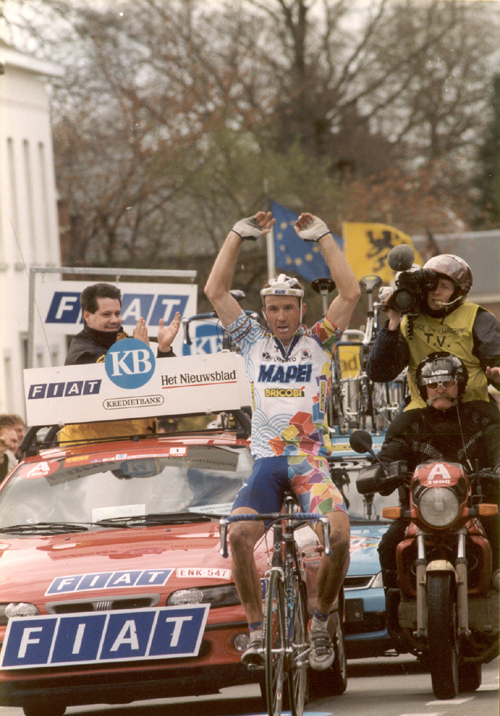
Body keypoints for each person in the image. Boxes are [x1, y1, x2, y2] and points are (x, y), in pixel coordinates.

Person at [204, 211, 360, 670]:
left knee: (340, 534)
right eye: (272, 308)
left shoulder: (320, 342)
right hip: (267, 463)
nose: (280, 315)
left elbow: (350, 292)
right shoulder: (251, 340)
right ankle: (255, 631)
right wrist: (237, 234)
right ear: (264, 312)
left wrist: (325, 239)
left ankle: (320, 620)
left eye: (288, 307)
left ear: (301, 311)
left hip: (310, 462)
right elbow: (215, 291)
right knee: (239, 537)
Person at [371, 352, 500, 624]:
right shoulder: (408, 423)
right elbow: (391, 452)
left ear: (461, 385)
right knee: (388, 545)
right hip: (420, 514)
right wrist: (381, 471)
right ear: (423, 389)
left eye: (447, 382)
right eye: (432, 384)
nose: (440, 389)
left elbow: (497, 445)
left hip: (473, 507)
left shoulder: (481, 417)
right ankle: (394, 608)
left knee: (498, 524)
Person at [366, 254, 500, 410]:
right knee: (395, 433)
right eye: (432, 285)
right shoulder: (409, 319)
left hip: (471, 409)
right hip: (423, 411)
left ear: (458, 292)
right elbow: (379, 373)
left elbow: (496, 365)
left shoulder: (479, 319)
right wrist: (393, 323)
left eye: (445, 287)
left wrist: (497, 379)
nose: (436, 292)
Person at [60, 283, 180, 442]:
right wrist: (138, 354)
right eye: (106, 314)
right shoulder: (82, 352)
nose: (114, 320)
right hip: (95, 451)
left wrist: (164, 350)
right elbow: (116, 384)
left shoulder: (126, 342)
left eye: (117, 313)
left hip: (139, 444)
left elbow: (163, 386)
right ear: (87, 316)